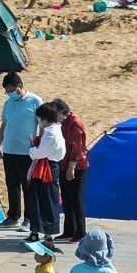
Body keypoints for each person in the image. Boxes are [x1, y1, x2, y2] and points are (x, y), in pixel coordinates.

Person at [0, 72, 41, 225]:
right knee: (11, 184)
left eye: (11, 90)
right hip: (9, 150)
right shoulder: (8, 103)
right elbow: (4, 125)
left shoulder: (35, 101)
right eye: (7, 91)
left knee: (28, 186)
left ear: (20, 86)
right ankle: (13, 216)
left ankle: (29, 217)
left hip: (27, 151)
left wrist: (39, 145)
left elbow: (43, 125)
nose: (9, 94)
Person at [26, 102, 66, 242]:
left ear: (45, 118)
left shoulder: (50, 133)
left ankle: (43, 232)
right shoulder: (56, 129)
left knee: (42, 200)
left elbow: (40, 152)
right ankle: (42, 232)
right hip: (51, 166)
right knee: (47, 200)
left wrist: (32, 150)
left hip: (46, 168)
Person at [53, 99, 88, 241]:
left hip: (76, 167)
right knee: (67, 199)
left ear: (62, 112)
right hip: (63, 164)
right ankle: (69, 230)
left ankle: (80, 232)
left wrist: (71, 167)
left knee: (76, 200)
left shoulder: (74, 123)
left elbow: (77, 148)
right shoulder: (62, 124)